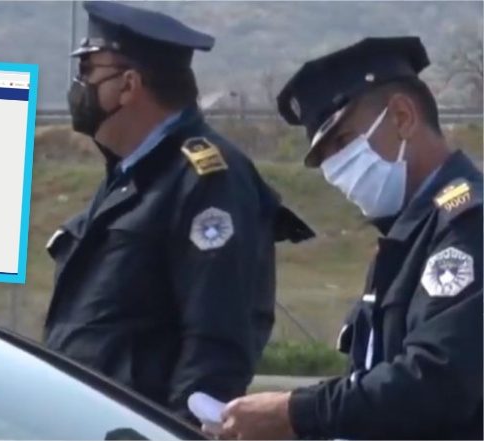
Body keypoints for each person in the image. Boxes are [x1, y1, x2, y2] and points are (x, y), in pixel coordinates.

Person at [43, 0, 314, 423]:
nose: (80, 86)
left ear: (128, 85)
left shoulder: (207, 180)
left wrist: (177, 431)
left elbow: (216, 339)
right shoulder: (132, 174)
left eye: (88, 71)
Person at [211, 36, 483, 440]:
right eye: (325, 159)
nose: (336, 169)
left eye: (342, 142)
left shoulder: (468, 224)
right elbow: (373, 388)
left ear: (403, 117)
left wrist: (296, 412)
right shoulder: (406, 237)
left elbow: (437, 380)